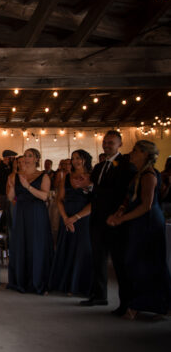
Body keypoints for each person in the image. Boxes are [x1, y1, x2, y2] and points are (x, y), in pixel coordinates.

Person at [107, 140, 171, 319]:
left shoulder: (149, 175)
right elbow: (129, 199)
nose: (132, 153)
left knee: (146, 263)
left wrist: (122, 219)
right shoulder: (138, 174)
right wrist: (120, 211)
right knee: (134, 262)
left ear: (144, 154)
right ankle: (138, 304)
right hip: (137, 222)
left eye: (135, 151)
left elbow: (146, 205)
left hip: (148, 223)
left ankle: (150, 305)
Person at [81, 130, 136, 313]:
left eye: (111, 142)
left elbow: (124, 193)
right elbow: (95, 189)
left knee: (120, 262)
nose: (107, 145)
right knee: (98, 258)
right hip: (97, 218)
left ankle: (126, 302)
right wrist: (87, 189)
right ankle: (99, 295)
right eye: (105, 142)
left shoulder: (126, 166)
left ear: (119, 144)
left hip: (115, 220)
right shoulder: (100, 166)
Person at [7, 148, 53, 294]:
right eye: (25, 155)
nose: (26, 158)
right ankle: (21, 280)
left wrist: (27, 186)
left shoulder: (43, 176)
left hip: (36, 213)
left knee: (36, 246)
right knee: (21, 245)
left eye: (30, 156)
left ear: (36, 159)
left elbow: (45, 197)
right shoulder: (17, 176)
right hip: (20, 213)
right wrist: (13, 185)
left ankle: (38, 281)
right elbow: (10, 198)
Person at [49, 150, 93, 296]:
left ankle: (78, 285)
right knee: (66, 249)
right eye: (73, 158)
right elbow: (59, 199)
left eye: (78, 158)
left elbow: (95, 203)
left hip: (83, 218)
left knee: (81, 251)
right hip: (66, 217)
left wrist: (76, 217)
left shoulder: (92, 177)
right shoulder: (66, 177)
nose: (75, 161)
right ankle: (64, 283)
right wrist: (65, 218)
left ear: (85, 160)